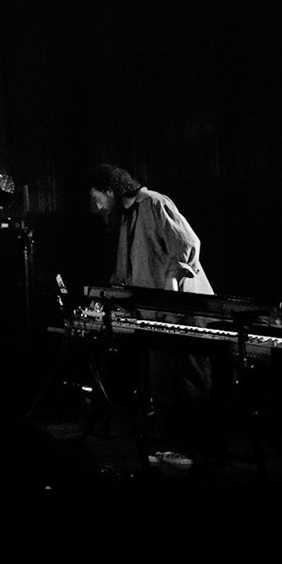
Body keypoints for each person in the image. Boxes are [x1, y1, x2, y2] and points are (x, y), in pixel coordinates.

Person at [87, 163, 215, 460]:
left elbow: (188, 246)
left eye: (98, 200)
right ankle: (169, 449)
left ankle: (202, 452)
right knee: (162, 385)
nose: (97, 208)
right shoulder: (125, 219)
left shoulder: (156, 203)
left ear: (110, 190)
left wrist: (170, 289)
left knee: (192, 382)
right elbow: (125, 272)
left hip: (183, 315)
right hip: (156, 319)